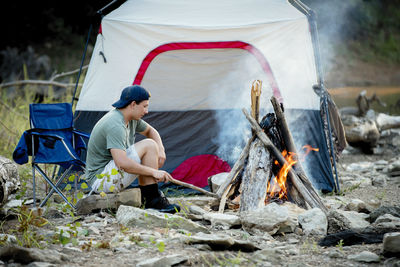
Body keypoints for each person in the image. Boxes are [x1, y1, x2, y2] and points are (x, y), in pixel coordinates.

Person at [85, 85, 180, 213]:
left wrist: (161, 150)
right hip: (101, 181)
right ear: (133, 104)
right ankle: (152, 200)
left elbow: (151, 131)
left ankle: (152, 199)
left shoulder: (130, 118)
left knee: (152, 144)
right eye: (145, 106)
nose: (146, 111)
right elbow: (122, 163)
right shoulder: (115, 124)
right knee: (149, 145)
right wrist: (153, 172)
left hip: (110, 173)